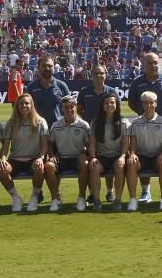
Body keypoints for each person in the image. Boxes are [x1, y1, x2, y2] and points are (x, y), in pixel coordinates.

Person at [128, 52, 162, 203]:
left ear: (160, 64)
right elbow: (132, 102)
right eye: (150, 63)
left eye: (155, 63)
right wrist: (144, 112)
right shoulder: (137, 82)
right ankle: (146, 192)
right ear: (144, 66)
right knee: (144, 153)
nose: (153, 65)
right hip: (145, 126)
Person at [0, 93, 49, 212]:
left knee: (39, 167)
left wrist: (40, 158)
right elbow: (5, 147)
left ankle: (34, 197)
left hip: (34, 158)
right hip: (15, 159)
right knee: (1, 169)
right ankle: (16, 198)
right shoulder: (11, 123)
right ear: (17, 106)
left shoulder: (41, 122)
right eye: (21, 103)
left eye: (27, 103)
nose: (24, 106)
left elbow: (45, 146)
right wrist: (3, 159)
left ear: (31, 105)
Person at [127, 92, 162, 211]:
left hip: (158, 156)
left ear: (156, 103)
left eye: (151, 102)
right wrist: (132, 154)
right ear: (142, 104)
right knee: (131, 162)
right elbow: (132, 144)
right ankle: (132, 200)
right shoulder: (135, 122)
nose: (149, 105)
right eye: (145, 103)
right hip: (142, 157)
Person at [77, 65, 117, 202]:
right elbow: (80, 110)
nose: (99, 76)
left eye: (102, 73)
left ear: (105, 75)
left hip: (107, 132)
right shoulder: (84, 92)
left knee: (109, 158)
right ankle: (92, 192)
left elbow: (116, 111)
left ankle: (109, 191)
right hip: (90, 132)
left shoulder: (111, 91)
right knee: (91, 162)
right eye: (96, 73)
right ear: (92, 75)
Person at [43, 96, 90, 211]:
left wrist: (85, 153)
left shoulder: (84, 125)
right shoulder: (56, 125)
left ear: (76, 107)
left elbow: (90, 144)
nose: (69, 110)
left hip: (77, 158)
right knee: (48, 166)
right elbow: (49, 144)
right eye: (66, 107)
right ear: (61, 109)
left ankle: (82, 198)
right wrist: (52, 155)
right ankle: (56, 198)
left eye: (71, 107)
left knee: (85, 163)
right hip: (62, 158)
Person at [88, 92, 130, 211]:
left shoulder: (124, 122)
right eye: (106, 103)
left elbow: (126, 143)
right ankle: (96, 201)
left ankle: (117, 200)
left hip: (117, 156)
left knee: (120, 166)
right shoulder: (95, 123)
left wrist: (122, 157)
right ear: (102, 105)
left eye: (112, 102)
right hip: (101, 157)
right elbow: (92, 143)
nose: (109, 105)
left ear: (117, 104)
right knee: (94, 167)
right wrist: (93, 157)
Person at [27, 56, 71, 127]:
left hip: (58, 130)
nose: (47, 68)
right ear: (38, 68)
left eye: (50, 66)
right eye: (44, 66)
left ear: (54, 68)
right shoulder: (31, 87)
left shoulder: (62, 86)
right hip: (37, 128)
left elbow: (71, 107)